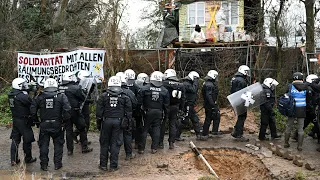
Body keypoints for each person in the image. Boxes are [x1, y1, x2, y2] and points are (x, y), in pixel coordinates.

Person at [30, 78, 71, 171]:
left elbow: (32, 110)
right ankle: (57, 164)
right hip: (57, 124)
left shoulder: (39, 97)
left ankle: (44, 165)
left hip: (44, 124)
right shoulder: (61, 96)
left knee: (43, 145)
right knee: (58, 144)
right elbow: (68, 109)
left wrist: (37, 122)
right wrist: (64, 121)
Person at [96, 76, 132, 171]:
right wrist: (128, 124)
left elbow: (99, 112)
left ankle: (103, 165)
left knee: (104, 143)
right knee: (115, 144)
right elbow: (128, 113)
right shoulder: (124, 97)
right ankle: (113, 166)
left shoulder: (103, 96)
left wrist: (99, 124)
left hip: (106, 121)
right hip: (118, 122)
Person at [59, 72, 92, 155]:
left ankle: (70, 150)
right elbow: (83, 98)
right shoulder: (75, 88)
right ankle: (84, 147)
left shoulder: (60, 87)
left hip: (64, 112)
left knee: (68, 131)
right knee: (82, 127)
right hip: (75, 111)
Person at [137, 71, 170, 154]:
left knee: (144, 129)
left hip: (147, 112)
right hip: (159, 112)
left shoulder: (145, 88)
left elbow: (139, 102)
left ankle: (141, 149)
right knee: (156, 129)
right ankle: (154, 148)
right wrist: (166, 114)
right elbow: (166, 105)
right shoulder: (164, 90)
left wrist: (139, 111)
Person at [8, 78, 37, 166]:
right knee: (27, 139)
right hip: (24, 120)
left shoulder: (11, 94)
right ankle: (28, 158)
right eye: (23, 84)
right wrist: (34, 92)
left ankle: (14, 159)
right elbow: (32, 102)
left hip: (16, 119)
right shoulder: (21, 96)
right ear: (19, 85)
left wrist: (28, 89)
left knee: (15, 139)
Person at [284, 72, 308, 151]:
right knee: (300, 129)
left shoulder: (290, 86)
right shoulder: (306, 87)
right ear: (302, 78)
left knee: (289, 126)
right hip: (302, 109)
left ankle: (286, 143)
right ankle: (299, 146)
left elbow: (285, 95)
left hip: (292, 109)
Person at [161, 69, 185, 149]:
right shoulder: (181, 85)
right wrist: (181, 109)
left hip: (165, 107)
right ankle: (171, 142)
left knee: (162, 124)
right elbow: (183, 98)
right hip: (175, 106)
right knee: (173, 125)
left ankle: (160, 143)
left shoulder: (164, 84)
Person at [116, 72, 137, 160]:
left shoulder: (108, 92)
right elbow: (135, 103)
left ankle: (113, 155)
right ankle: (128, 154)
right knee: (127, 135)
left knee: (113, 136)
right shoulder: (129, 92)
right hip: (126, 118)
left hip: (113, 117)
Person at [176, 71, 202, 140]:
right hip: (187, 105)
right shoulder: (186, 84)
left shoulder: (189, 84)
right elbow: (194, 90)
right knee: (184, 120)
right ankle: (176, 135)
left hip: (190, 105)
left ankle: (198, 135)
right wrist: (195, 82)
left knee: (195, 119)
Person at [230, 65, 250, 142]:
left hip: (235, 100)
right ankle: (238, 134)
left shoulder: (234, 78)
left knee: (240, 117)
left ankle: (236, 131)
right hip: (240, 101)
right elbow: (242, 93)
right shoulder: (241, 80)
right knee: (242, 117)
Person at [201, 70, 222, 140]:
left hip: (209, 104)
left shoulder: (208, 83)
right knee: (209, 118)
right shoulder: (209, 84)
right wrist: (213, 105)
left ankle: (213, 131)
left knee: (214, 117)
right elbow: (208, 95)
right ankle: (205, 133)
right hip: (210, 104)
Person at [74, 70, 94, 144]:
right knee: (83, 123)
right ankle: (77, 136)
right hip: (80, 106)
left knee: (86, 123)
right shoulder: (77, 86)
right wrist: (88, 100)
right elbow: (80, 97)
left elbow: (89, 92)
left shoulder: (87, 84)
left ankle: (83, 139)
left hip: (85, 105)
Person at [134, 72, 149, 149]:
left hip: (138, 108)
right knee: (141, 126)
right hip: (143, 109)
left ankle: (137, 142)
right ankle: (138, 143)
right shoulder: (147, 87)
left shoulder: (135, 85)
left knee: (138, 126)